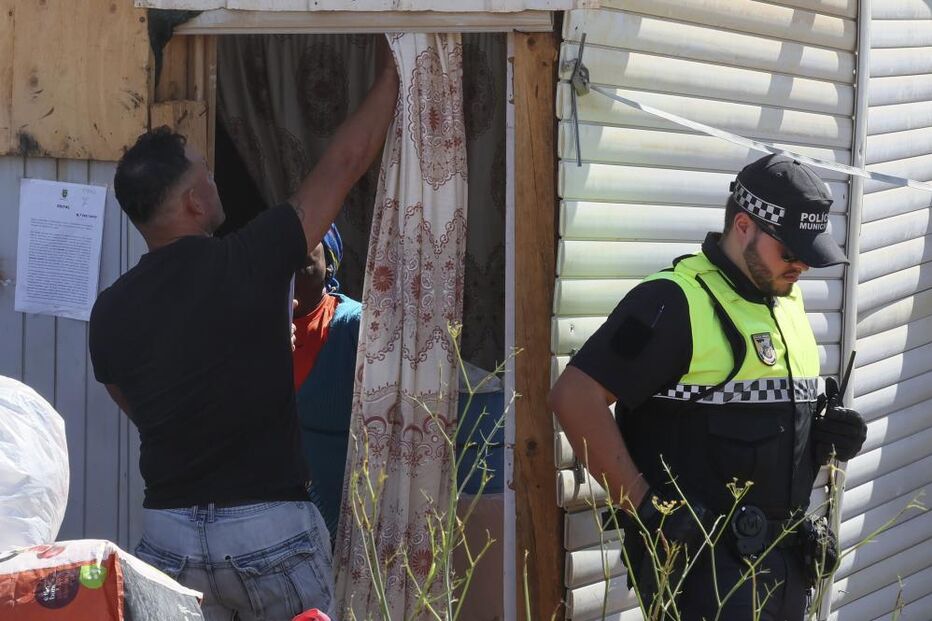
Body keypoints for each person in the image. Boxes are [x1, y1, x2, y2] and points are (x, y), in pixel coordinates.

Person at [88, 43, 398, 621]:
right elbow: (346, 162)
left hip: (168, 540)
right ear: (194, 200)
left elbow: (130, 400)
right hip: (269, 532)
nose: (213, 179)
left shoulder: (107, 313)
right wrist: (394, 69)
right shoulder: (250, 261)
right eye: (205, 171)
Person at [549, 154, 868, 620]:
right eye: (790, 251)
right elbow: (574, 397)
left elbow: (761, 422)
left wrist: (824, 435)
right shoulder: (673, 301)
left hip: (784, 567)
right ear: (744, 226)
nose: (801, 265)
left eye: (809, 254)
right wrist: (648, 507)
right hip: (703, 572)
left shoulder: (784, 300)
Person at [292, 223, 361, 548]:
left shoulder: (352, 324)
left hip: (344, 499)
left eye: (301, 263)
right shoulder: (253, 329)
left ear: (329, 263)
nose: (290, 275)